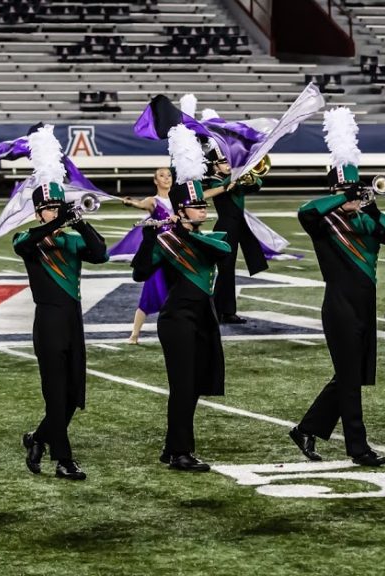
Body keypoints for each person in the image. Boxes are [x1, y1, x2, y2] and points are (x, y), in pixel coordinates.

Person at [289, 107, 385, 467]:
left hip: (364, 303)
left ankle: (307, 428)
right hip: (338, 303)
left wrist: (369, 207)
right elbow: (306, 211)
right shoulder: (323, 224)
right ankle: (358, 447)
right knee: (350, 378)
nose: (352, 197)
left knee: (352, 376)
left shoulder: (366, 223)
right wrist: (344, 195)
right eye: (345, 190)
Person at [132, 123, 232, 472]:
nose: (203, 209)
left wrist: (179, 228)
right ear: (182, 208)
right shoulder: (166, 241)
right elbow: (140, 273)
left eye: (204, 205)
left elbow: (221, 249)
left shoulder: (207, 237)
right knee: (183, 387)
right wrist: (150, 237)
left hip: (204, 316)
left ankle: (172, 446)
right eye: (196, 206)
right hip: (177, 319)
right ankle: (179, 452)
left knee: (196, 385)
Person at [17, 125, 108, 480]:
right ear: (39, 211)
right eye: (48, 209)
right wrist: (58, 222)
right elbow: (28, 242)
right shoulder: (28, 239)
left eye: (57, 208)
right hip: (49, 322)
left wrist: (79, 220)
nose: (53, 213)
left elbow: (100, 254)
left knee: (73, 395)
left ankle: (38, 437)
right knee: (55, 394)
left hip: (73, 322)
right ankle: (64, 460)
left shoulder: (71, 242)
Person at [108, 167, 174, 343]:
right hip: (159, 254)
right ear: (155, 181)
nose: (166, 178)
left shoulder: (179, 199)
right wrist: (131, 203)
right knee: (150, 291)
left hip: (176, 253)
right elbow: (141, 204)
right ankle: (135, 334)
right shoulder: (153, 200)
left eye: (169, 175)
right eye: (162, 176)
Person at [205, 144, 268, 324]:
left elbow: (257, 185)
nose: (227, 165)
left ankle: (228, 311)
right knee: (224, 270)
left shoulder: (237, 181)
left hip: (239, 226)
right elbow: (219, 188)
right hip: (225, 227)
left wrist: (252, 175)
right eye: (223, 162)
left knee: (230, 271)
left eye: (229, 162)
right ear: (215, 165)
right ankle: (215, 311)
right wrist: (233, 178)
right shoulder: (215, 180)